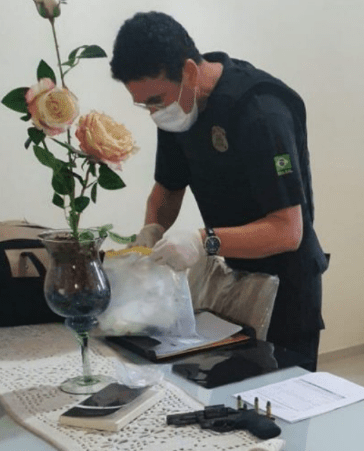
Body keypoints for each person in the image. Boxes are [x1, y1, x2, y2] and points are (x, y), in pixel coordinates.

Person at [110, 11, 329, 371]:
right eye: (144, 103)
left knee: (274, 398)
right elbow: (168, 188)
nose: (153, 112)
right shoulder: (179, 108)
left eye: (156, 100)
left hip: (286, 289)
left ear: (189, 72)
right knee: (220, 391)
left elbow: (288, 231)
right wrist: (151, 231)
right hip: (234, 278)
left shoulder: (261, 111)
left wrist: (202, 241)